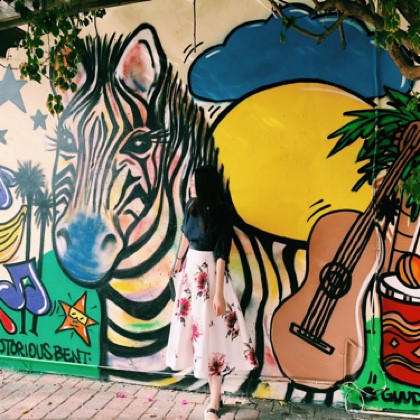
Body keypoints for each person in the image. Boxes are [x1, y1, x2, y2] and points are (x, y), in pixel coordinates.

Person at [166, 165, 258, 420]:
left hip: (210, 278)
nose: (190, 185)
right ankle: (214, 397)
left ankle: (214, 400)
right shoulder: (191, 206)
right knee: (197, 336)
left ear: (205, 184)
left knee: (211, 337)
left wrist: (218, 294)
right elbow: (185, 235)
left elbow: (221, 254)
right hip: (191, 275)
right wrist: (178, 261)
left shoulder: (220, 212)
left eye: (194, 182)